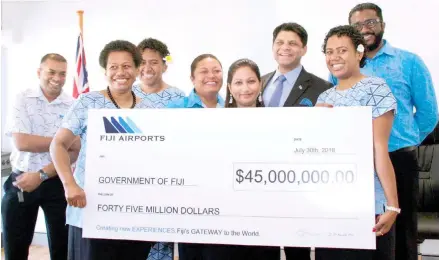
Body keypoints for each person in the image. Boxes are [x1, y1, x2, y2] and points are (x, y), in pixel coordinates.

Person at [329, 3, 438, 259]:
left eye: (370, 22)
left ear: (382, 25)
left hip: (398, 157)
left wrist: (403, 140)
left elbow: (429, 113)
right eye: (358, 25)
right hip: (357, 163)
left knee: (402, 230)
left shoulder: (409, 62)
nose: (365, 29)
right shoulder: (341, 66)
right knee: (366, 232)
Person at [49, 40, 156, 260]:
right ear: (105, 71)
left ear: (137, 70)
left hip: (134, 212)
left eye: (127, 66)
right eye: (113, 67)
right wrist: (70, 185)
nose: (120, 72)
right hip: (91, 207)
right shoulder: (88, 102)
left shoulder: (148, 108)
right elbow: (58, 145)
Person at [315, 25, 400, 260]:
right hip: (330, 205)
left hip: (368, 204)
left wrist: (392, 205)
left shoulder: (376, 88)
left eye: (342, 50)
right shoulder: (324, 98)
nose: (335, 57)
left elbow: (379, 149)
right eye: (329, 52)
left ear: (359, 53)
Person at [262, 22, 332, 260]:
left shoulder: (322, 87)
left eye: (293, 43)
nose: (285, 48)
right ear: (272, 47)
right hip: (260, 178)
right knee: (263, 242)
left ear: (304, 49)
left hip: (299, 179)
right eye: (280, 42)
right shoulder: (257, 83)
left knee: (297, 246)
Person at [2, 53, 80, 260]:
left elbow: (76, 149)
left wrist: (42, 174)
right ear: (39, 72)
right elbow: (22, 142)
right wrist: (61, 143)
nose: (57, 78)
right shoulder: (23, 98)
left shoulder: (73, 104)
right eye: (51, 72)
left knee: (63, 248)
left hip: (58, 181)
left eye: (62, 74)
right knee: (15, 248)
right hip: (21, 182)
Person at [167, 54, 226, 260]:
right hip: (188, 201)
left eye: (216, 71)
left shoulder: (231, 108)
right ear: (192, 78)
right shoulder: (175, 109)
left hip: (224, 200)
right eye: (204, 71)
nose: (211, 76)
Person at [225, 58, 280, 260]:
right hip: (227, 221)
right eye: (238, 83)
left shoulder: (278, 123)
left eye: (251, 81)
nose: (245, 88)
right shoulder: (215, 123)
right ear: (230, 88)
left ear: (260, 84)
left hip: (266, 221)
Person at [133, 37, 185, 108]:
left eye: (154, 63)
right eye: (142, 63)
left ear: (165, 67)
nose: (147, 69)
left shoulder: (177, 96)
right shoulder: (127, 94)